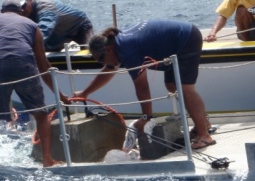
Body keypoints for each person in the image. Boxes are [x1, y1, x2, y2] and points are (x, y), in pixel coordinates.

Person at [73, 19, 216, 150]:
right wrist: (85, 93)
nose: (103, 64)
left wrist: (146, 117)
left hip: (186, 39)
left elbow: (142, 87)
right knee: (172, 85)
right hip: (176, 41)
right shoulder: (117, 43)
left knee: (186, 89)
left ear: (108, 50)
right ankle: (202, 124)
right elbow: (109, 70)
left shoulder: (127, 49)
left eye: (101, 60)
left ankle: (204, 136)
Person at [0, 0, 67, 167]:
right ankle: (48, 160)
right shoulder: (33, 26)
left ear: (2, 11)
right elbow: (42, 62)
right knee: (40, 113)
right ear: (20, 11)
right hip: (24, 65)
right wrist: (60, 95)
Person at [12, 0, 94, 51]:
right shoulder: (25, 12)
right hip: (58, 33)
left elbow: (44, 31)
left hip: (80, 26)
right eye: (19, 7)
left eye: (23, 6)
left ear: (30, 0)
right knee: (45, 50)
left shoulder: (46, 9)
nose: (22, 10)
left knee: (91, 52)